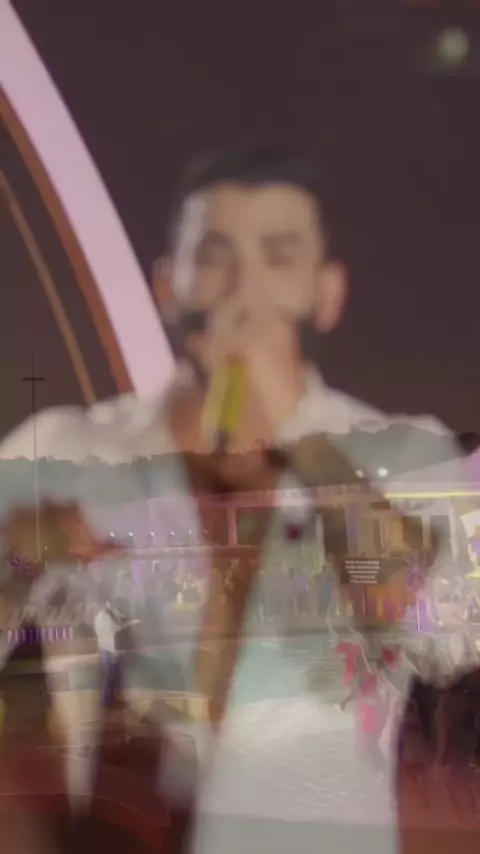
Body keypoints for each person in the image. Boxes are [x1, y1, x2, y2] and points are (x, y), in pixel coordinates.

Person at [0, 144, 470, 852]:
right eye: (216, 257)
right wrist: (20, 560)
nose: (244, 291)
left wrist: (303, 440)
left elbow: (439, 631)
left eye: (278, 257)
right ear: (168, 286)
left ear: (327, 293)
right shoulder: (64, 453)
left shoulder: (404, 455)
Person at [93, 599, 126, 710]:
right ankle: (107, 700)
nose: (112, 606)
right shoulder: (103, 618)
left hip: (109, 649)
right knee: (109, 676)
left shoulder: (105, 617)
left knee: (114, 676)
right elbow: (115, 630)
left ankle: (112, 699)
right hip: (108, 649)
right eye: (110, 604)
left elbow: (117, 628)